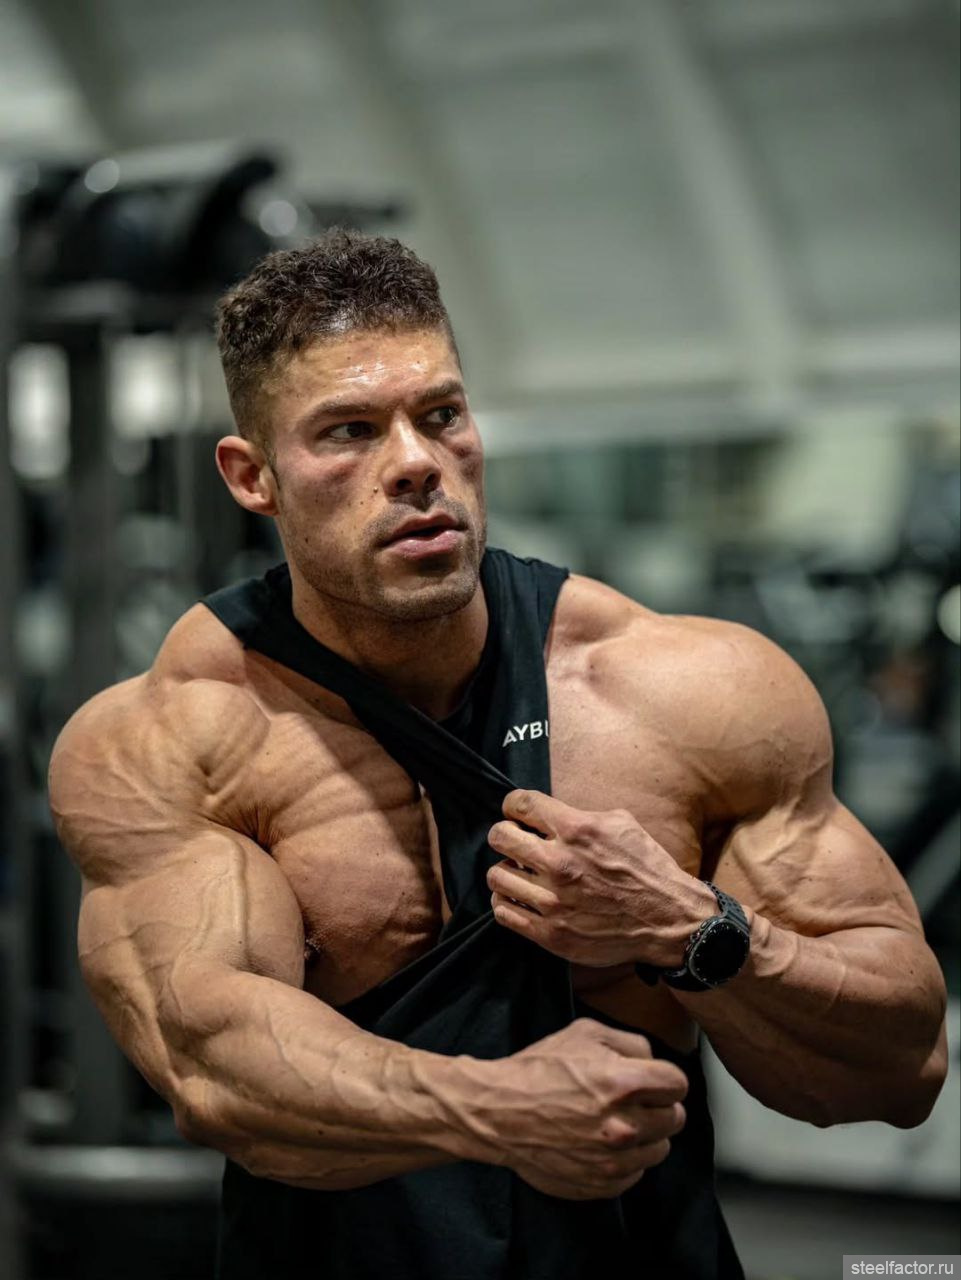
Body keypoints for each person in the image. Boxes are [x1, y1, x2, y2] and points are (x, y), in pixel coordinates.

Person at [48, 231, 947, 1280]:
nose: (415, 463)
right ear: (254, 478)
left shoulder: (688, 691)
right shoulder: (177, 735)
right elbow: (212, 1067)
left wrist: (689, 928)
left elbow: (901, 1068)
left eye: (441, 415)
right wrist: (492, 1108)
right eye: (349, 431)